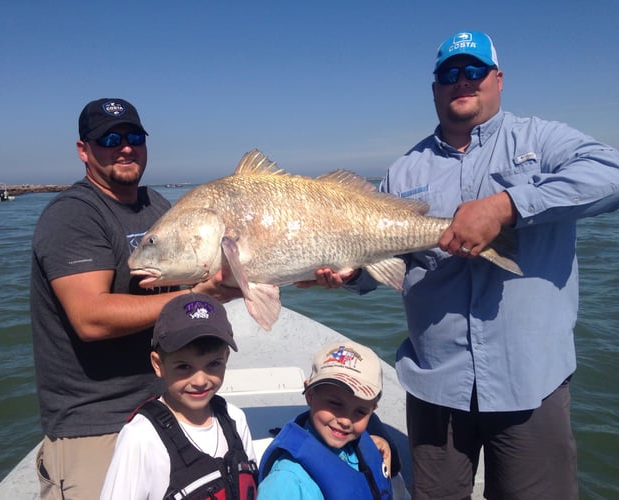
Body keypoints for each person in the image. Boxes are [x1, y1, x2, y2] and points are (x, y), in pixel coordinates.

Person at [302, 31, 619, 499]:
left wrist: (507, 206)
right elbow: (384, 264)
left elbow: (610, 174)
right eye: (449, 73)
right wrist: (351, 273)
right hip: (436, 386)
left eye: (474, 70)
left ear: (498, 78)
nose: (462, 81)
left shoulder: (542, 139)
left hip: (530, 381)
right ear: (435, 87)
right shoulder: (404, 172)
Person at [30, 98, 242, 499]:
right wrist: (195, 295)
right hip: (97, 418)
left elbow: (208, 278)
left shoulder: (157, 206)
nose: (124, 147)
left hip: (169, 403)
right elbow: (90, 317)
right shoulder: (74, 215)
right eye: (109, 138)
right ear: (83, 150)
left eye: (134, 137)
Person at [100, 293, 258, 499]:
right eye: (184, 367)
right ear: (158, 364)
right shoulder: (140, 438)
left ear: (226, 357)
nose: (200, 381)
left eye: (213, 364)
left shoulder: (235, 418)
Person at [257, 340, 394, 499]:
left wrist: (382, 446)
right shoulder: (287, 482)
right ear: (310, 395)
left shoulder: (360, 445)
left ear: (372, 410)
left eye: (360, 412)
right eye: (335, 404)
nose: (346, 421)